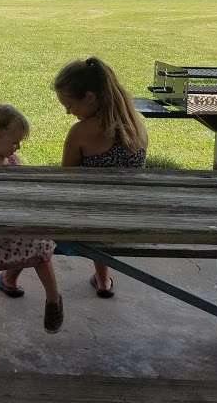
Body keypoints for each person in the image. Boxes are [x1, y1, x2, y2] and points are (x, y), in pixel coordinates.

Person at [0, 105, 61, 337]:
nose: (18, 147)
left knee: (41, 245)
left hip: (16, 225)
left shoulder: (14, 161)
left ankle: (53, 299)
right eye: (15, 141)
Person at [54, 57, 148, 297]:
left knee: (32, 224)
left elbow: (67, 182)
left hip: (91, 219)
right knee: (101, 200)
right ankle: (103, 280)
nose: (68, 112)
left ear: (89, 97)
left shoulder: (81, 133)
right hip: (129, 214)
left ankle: (10, 277)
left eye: (70, 105)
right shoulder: (137, 124)